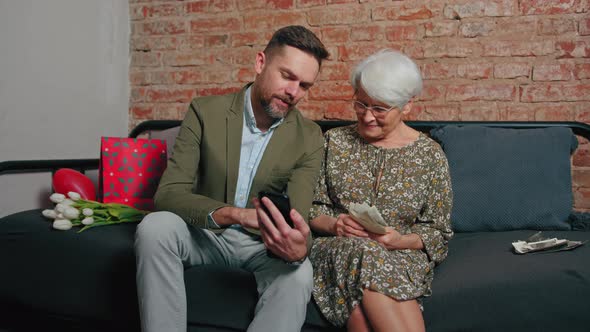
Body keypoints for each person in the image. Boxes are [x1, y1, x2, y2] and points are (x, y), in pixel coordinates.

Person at [134, 25, 329, 332]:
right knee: (154, 228)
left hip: (261, 246)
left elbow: (297, 217)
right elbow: (168, 195)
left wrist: (300, 247)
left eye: (304, 85)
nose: (294, 92)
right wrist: (236, 214)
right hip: (204, 232)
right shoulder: (205, 111)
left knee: (301, 273)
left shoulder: (310, 137)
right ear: (261, 63)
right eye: (288, 76)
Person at [308, 49, 453, 332]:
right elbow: (310, 209)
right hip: (337, 248)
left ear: (407, 105)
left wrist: (397, 240)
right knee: (363, 250)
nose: (367, 116)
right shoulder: (333, 142)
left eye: (380, 108)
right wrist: (336, 224)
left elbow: (438, 232)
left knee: (362, 313)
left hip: (400, 254)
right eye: (361, 104)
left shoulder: (430, 155)